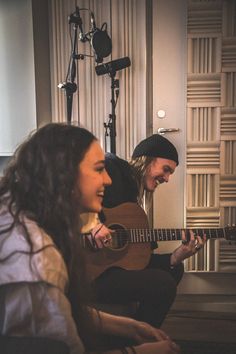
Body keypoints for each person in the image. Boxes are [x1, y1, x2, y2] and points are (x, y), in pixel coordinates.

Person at [0, 123, 181, 354]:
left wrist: (131, 327)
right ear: (63, 175)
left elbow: (62, 308)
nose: (107, 179)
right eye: (98, 169)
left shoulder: (20, 213)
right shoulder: (38, 261)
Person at [91, 134, 206, 328]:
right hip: (90, 272)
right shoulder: (113, 168)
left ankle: (134, 329)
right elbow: (71, 191)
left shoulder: (133, 205)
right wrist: (92, 223)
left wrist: (178, 255)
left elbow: (139, 259)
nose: (167, 179)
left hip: (109, 269)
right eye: (166, 169)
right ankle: (140, 340)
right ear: (147, 160)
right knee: (163, 284)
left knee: (175, 269)